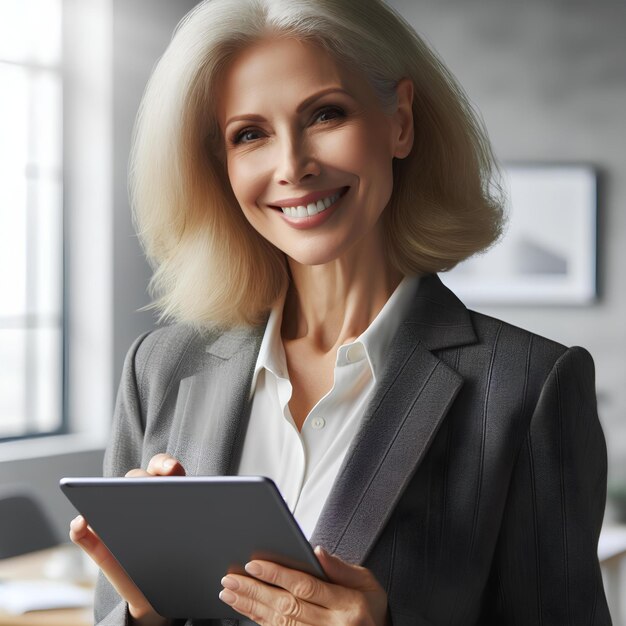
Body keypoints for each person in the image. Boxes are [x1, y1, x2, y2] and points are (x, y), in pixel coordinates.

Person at [69, 0, 611, 624]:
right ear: (221, 165)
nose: (293, 165)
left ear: (400, 120)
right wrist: (146, 616)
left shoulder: (531, 387)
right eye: (250, 134)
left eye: (325, 115)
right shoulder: (159, 367)